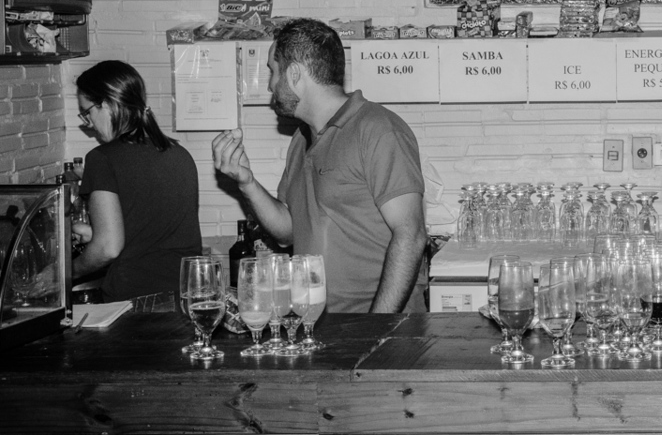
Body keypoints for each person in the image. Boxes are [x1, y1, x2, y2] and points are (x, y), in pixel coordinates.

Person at [211, 18, 426, 314]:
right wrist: (246, 182)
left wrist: (374, 328)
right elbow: (287, 232)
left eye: (273, 71)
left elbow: (411, 236)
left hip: (381, 327)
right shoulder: (301, 140)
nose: (270, 85)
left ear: (294, 74)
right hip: (316, 323)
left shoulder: (378, 129)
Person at [73, 60, 203, 302]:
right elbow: (155, 233)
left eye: (87, 113)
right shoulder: (179, 154)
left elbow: (108, 248)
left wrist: (65, 273)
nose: (89, 125)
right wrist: (95, 234)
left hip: (134, 300)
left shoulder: (102, 159)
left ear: (107, 104)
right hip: (187, 296)